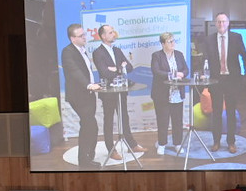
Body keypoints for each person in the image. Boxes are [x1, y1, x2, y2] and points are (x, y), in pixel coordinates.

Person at [201, 12, 246, 153]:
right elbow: (204, 60)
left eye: (224, 21)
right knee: (216, 112)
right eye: (218, 22)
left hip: (232, 81)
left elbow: (245, 59)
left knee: (231, 112)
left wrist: (245, 78)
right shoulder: (209, 39)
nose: (221, 24)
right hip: (215, 81)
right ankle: (216, 142)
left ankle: (231, 142)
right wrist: (205, 77)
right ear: (215, 24)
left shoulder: (236, 37)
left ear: (228, 23)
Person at [93, 24, 142, 161]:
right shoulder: (98, 52)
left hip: (121, 90)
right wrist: (121, 68)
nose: (113, 34)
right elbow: (104, 73)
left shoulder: (118, 50)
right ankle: (111, 149)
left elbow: (130, 68)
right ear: (103, 36)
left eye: (113, 32)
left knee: (124, 117)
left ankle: (132, 144)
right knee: (108, 120)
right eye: (110, 32)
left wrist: (116, 69)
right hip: (108, 92)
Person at [62, 23, 102, 168]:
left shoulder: (82, 50)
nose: (85, 37)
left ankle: (87, 157)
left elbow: (86, 72)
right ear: (73, 39)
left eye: (84, 34)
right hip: (78, 95)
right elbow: (74, 72)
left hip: (89, 93)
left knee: (90, 126)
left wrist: (93, 84)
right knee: (89, 125)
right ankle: (84, 161)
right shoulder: (67, 52)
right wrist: (88, 84)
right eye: (81, 36)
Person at [150, 32, 189, 153]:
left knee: (177, 120)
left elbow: (186, 69)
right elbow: (156, 71)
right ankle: (162, 144)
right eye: (169, 41)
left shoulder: (179, 54)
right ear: (162, 44)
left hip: (177, 93)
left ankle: (177, 144)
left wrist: (182, 73)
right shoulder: (156, 55)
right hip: (162, 94)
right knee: (163, 120)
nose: (173, 43)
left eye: (173, 41)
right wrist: (172, 75)